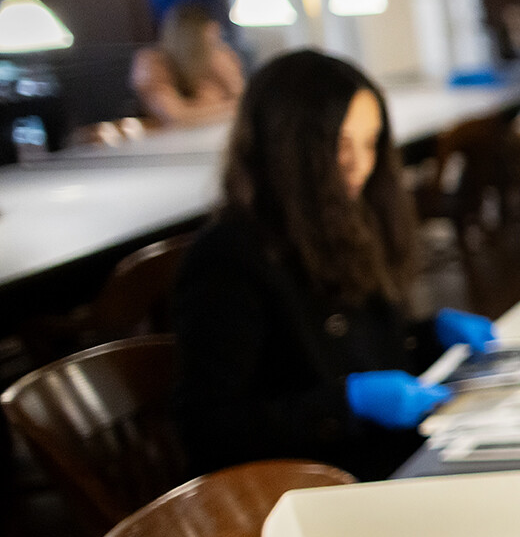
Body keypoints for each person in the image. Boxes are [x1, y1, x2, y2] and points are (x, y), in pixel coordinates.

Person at [173, 49, 495, 481]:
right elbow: (211, 429)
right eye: (340, 145)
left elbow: (356, 351)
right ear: (289, 148)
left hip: (382, 461)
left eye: (370, 143)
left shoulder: (344, 222)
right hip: (305, 488)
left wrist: (427, 336)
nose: (360, 165)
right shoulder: (229, 256)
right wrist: (343, 406)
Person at [130, 1, 245, 126]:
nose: (219, 44)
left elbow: (245, 101)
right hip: (164, 141)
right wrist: (229, 107)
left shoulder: (217, 59)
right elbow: (176, 116)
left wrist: (229, 75)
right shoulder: (150, 63)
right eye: (212, 39)